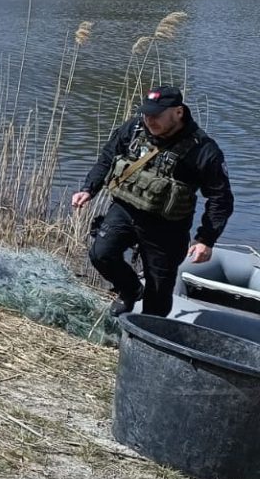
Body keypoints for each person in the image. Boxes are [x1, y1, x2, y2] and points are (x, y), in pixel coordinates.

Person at [71, 85, 234, 318]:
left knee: (158, 293)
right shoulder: (135, 127)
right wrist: (89, 189)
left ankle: (144, 339)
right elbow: (108, 157)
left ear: (178, 112)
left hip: (167, 227)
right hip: (126, 210)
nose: (149, 120)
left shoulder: (204, 150)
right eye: (146, 113)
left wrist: (206, 239)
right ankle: (130, 290)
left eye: (156, 115)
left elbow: (221, 198)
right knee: (101, 254)